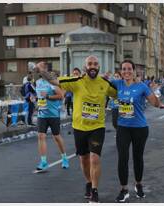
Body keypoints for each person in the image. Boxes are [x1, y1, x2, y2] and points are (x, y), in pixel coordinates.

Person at [36, 56, 117, 203]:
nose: (93, 66)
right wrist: (42, 71)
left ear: (99, 67)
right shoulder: (76, 82)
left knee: (94, 158)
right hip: (79, 127)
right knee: (84, 159)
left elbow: (120, 93)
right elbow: (54, 81)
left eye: (95, 64)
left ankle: (94, 190)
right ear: (85, 67)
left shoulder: (105, 84)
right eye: (90, 64)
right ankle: (88, 182)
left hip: (97, 127)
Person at [112, 60, 161, 202]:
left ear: (133, 71)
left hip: (140, 128)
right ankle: (124, 189)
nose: (126, 71)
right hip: (123, 128)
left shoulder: (141, 86)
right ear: (121, 72)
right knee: (122, 158)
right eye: (124, 69)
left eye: (129, 69)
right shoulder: (117, 84)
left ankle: (138, 185)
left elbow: (154, 102)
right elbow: (101, 83)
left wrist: (156, 96)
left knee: (137, 157)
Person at [35, 66, 69, 172]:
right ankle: (43, 161)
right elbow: (40, 96)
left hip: (53, 114)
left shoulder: (52, 83)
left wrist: (48, 97)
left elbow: (61, 96)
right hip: (42, 114)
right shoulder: (38, 82)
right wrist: (36, 100)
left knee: (56, 137)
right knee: (41, 136)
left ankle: (64, 158)